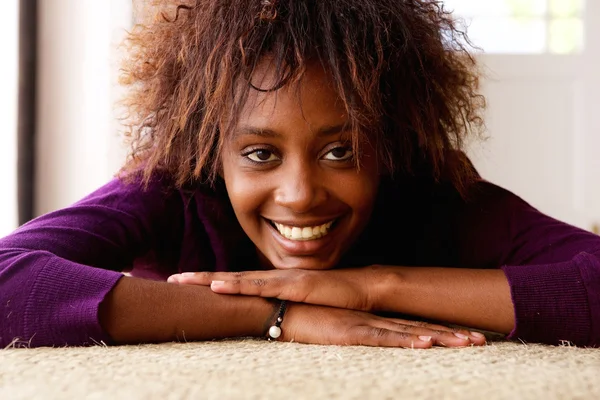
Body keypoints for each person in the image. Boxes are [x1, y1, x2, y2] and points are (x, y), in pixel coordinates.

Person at [1, 0, 599, 349]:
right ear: (213, 150)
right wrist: (278, 315)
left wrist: (372, 285)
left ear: (387, 143)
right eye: (260, 153)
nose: (300, 195)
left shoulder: (431, 194)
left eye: (341, 151)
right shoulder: (174, 188)